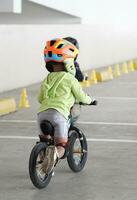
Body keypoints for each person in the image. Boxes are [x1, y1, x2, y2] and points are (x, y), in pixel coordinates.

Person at [38, 38, 95, 173]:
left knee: (44, 141)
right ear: (69, 61)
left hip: (41, 114)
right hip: (59, 114)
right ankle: (55, 154)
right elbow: (81, 96)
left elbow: (40, 98)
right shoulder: (70, 78)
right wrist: (90, 100)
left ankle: (41, 159)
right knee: (62, 146)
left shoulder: (47, 78)